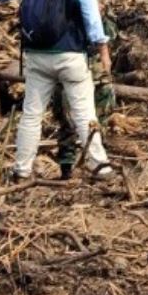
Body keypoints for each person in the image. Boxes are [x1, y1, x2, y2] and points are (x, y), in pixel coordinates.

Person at [0, 0, 115, 183]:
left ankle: (22, 170)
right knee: (84, 113)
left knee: (32, 114)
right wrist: (102, 49)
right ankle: (99, 166)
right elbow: (91, 17)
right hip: (71, 56)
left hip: (37, 55)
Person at [53, 13, 117, 177]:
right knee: (68, 117)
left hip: (91, 66)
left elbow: (110, 36)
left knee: (98, 112)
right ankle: (68, 166)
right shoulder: (61, 11)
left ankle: (95, 157)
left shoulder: (99, 16)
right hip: (70, 65)